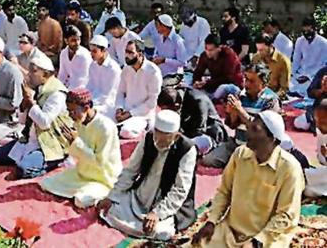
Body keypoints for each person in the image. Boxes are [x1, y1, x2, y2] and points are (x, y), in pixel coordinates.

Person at [192, 110, 305, 248]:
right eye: (249, 127)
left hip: (267, 237)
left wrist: (257, 242)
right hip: (231, 231)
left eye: (255, 130)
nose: (247, 133)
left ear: (272, 139)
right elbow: (224, 191)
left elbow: (286, 215)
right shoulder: (240, 154)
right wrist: (211, 221)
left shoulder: (290, 168)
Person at [97, 110, 197, 241]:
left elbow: (180, 189)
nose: (157, 142)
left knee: (161, 232)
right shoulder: (149, 138)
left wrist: (157, 213)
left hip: (165, 202)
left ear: (176, 137)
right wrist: (113, 196)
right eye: (156, 135)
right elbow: (130, 171)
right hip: (140, 195)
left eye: (163, 139)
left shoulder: (187, 150)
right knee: (109, 210)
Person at [0, 52, 74, 179]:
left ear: (45, 74)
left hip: (50, 143)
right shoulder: (36, 87)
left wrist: (31, 102)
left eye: (33, 72)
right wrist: (24, 105)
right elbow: (22, 121)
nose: (29, 75)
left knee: (22, 170)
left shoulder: (57, 93)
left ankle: (53, 161)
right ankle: (29, 158)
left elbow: (44, 122)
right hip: (30, 138)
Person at [41, 88, 122, 208]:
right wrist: (70, 143)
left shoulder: (106, 127)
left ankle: (102, 194)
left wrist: (76, 143)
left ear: (86, 108)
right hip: (82, 174)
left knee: (81, 200)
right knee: (46, 183)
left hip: (103, 178)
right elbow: (77, 154)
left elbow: (100, 163)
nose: (70, 115)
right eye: (68, 111)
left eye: (73, 111)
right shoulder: (79, 122)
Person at [201, 63, 281, 168]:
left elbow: (261, 129)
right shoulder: (240, 96)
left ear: (263, 83)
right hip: (237, 143)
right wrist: (232, 112)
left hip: (258, 148)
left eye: (251, 81)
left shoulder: (271, 100)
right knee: (209, 160)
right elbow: (232, 125)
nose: (246, 84)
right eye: (245, 79)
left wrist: (239, 110)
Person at [157, 86, 227, 155]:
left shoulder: (199, 102)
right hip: (188, 131)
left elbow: (198, 131)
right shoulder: (178, 96)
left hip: (208, 134)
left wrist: (177, 138)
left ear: (176, 106)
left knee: (184, 147)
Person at [114, 40, 163, 139]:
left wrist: (130, 114)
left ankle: (143, 129)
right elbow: (120, 92)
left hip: (142, 115)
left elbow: (151, 102)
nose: (126, 55)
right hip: (125, 110)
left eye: (130, 52)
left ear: (140, 54)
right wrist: (119, 108)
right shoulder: (126, 69)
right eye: (126, 52)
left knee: (126, 132)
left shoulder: (153, 72)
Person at [192, 34, 244, 100]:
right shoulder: (204, 55)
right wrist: (196, 82)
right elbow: (198, 71)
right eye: (206, 49)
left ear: (219, 48)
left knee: (222, 88)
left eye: (211, 50)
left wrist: (206, 83)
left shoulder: (229, 55)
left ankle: (212, 100)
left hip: (232, 85)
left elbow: (228, 78)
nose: (208, 52)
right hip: (214, 85)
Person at [290, 16, 327, 96]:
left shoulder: (324, 43)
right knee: (290, 85)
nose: (306, 33)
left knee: (308, 89)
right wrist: (293, 74)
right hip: (301, 74)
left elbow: (323, 66)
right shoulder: (300, 41)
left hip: (315, 75)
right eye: (304, 31)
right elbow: (296, 60)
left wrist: (309, 77)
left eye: (309, 30)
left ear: (314, 29)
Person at [87, 35, 121, 118]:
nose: (91, 54)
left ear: (104, 50)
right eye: (90, 51)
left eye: (94, 51)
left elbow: (107, 95)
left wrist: (89, 103)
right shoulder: (92, 65)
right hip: (94, 102)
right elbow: (90, 87)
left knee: (86, 111)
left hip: (109, 105)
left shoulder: (113, 69)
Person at [252, 33, 292, 99]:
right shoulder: (256, 58)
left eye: (262, 50)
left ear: (270, 46)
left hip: (274, 95)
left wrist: (271, 98)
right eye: (258, 50)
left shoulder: (283, 61)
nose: (259, 52)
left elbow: (284, 89)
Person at [304, 98, 327, 197]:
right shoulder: (321, 131)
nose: (318, 125)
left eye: (323, 122)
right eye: (316, 121)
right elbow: (321, 160)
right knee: (309, 189)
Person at [58, 26, 93, 90]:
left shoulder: (84, 55)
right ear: (66, 41)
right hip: (69, 86)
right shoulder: (63, 53)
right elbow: (62, 75)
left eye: (78, 39)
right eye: (73, 40)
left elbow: (83, 79)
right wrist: (59, 87)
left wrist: (69, 91)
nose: (77, 43)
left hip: (84, 87)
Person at [294, 67, 327, 131]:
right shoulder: (323, 71)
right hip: (320, 111)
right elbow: (310, 92)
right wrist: (322, 90)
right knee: (299, 122)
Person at [36, 0, 63, 66]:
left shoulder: (55, 24)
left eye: (43, 10)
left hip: (53, 56)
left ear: (48, 11)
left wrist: (45, 52)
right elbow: (39, 41)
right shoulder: (39, 24)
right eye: (39, 10)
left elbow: (57, 45)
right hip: (41, 54)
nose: (41, 12)